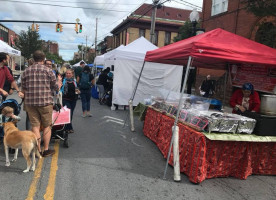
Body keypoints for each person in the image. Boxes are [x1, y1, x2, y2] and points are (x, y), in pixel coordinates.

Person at [21, 50, 62, 157]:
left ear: (33, 59)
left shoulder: (26, 71)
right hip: (45, 102)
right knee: (47, 126)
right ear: (43, 59)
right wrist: (59, 82)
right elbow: (55, 88)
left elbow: (23, 88)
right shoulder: (49, 71)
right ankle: (46, 149)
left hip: (30, 103)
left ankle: (38, 150)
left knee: (35, 126)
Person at [60, 68, 79, 133]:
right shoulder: (63, 81)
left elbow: (76, 89)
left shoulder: (74, 81)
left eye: (69, 73)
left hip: (73, 100)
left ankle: (67, 127)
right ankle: (69, 128)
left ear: (72, 74)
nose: (68, 74)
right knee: (68, 113)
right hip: (65, 99)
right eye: (67, 73)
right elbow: (60, 89)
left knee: (71, 113)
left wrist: (78, 92)